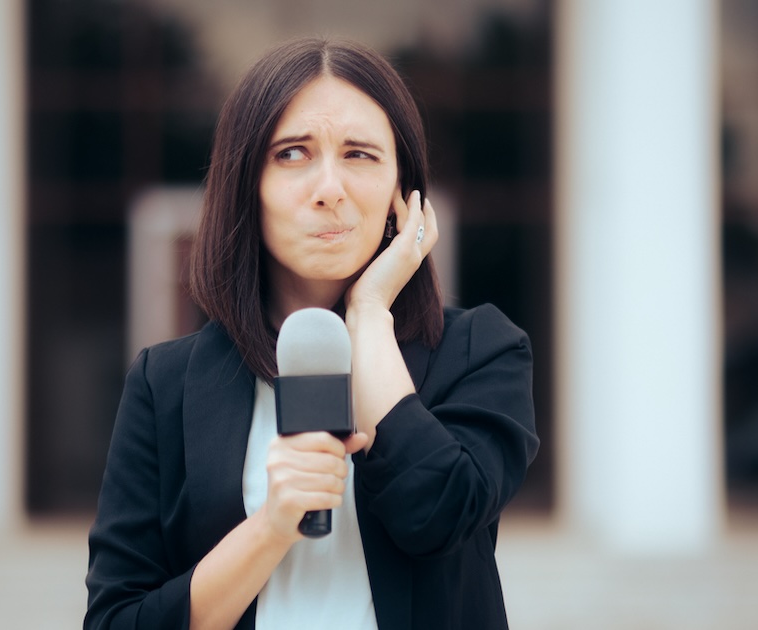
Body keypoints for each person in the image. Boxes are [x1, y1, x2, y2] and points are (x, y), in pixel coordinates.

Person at [85, 37, 538, 630]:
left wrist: (370, 313)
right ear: (247, 184)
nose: (330, 188)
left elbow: (439, 515)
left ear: (405, 194)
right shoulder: (165, 383)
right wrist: (271, 527)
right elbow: (118, 619)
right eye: (293, 154)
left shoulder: (482, 352)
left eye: (360, 155)